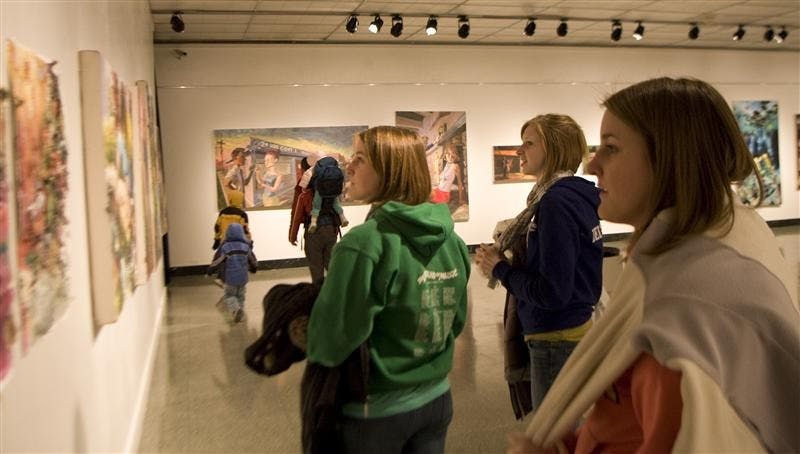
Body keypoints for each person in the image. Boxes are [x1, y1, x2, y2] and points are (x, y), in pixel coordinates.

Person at [507, 77, 800, 454]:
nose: (593, 163)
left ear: (670, 159)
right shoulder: (734, 234)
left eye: (611, 148)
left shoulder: (674, 320)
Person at [306, 126, 471, 453]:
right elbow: (455, 321)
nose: (348, 167)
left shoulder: (363, 244)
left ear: (390, 171)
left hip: (376, 413)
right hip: (437, 399)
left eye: (360, 159)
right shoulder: (453, 241)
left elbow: (329, 342)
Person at [474, 114, 603, 418]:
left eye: (529, 144)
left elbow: (552, 292)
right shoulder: (576, 195)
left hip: (554, 337)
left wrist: (499, 269)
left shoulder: (555, 203)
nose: (519, 151)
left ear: (554, 148)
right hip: (573, 328)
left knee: (552, 435)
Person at [288, 157, 341, 285]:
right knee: (332, 268)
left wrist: (292, 234)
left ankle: (320, 299)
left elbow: (297, 211)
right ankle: (335, 297)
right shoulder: (329, 181)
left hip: (314, 231)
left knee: (316, 270)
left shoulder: (304, 185)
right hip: (332, 229)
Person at [207, 222, 257, 323]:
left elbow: (218, 261)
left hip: (230, 278)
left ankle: (235, 310)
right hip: (243, 278)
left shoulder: (226, 247)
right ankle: (240, 312)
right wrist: (254, 268)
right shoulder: (246, 246)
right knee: (241, 296)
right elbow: (252, 260)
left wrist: (210, 270)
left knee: (229, 296)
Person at [297, 154, 348, 232]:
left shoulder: (313, 168)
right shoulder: (334, 166)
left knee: (316, 206)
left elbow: (305, 181)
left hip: (320, 190)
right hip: (333, 191)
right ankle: (343, 218)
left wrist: (304, 189)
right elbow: (341, 179)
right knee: (336, 204)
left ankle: (313, 222)